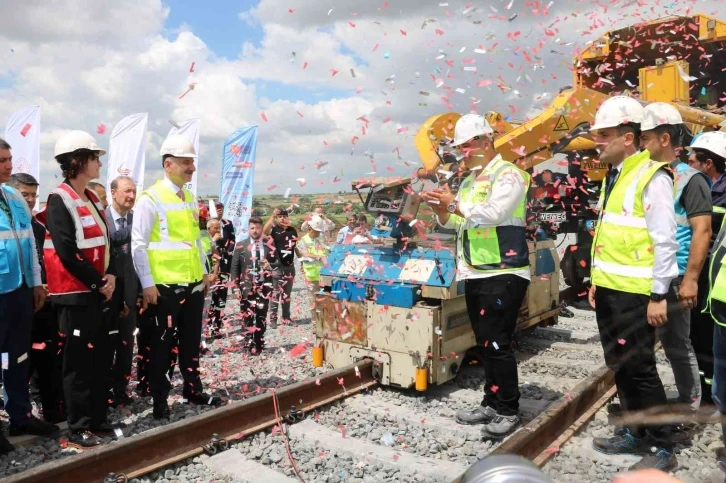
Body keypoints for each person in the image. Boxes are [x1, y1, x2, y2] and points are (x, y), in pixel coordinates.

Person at [421, 114, 531, 439]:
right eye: (460, 147)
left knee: (498, 343)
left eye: (467, 145)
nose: (463, 152)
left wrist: (453, 204)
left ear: (486, 141)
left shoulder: (510, 175)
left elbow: (493, 214)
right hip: (475, 272)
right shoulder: (470, 182)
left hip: (502, 272)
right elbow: (461, 223)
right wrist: (443, 212)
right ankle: (491, 401)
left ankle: (508, 409)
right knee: (485, 343)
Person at [586, 97, 678, 471]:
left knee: (640, 367)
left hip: (637, 294)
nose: (597, 142)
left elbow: (665, 239)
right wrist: (596, 281)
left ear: (628, 137)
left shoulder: (651, 175)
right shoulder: (619, 175)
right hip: (611, 290)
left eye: (603, 135)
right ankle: (635, 432)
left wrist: (659, 294)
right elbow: (612, 235)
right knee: (620, 364)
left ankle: (662, 445)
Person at [131, 134, 221, 420]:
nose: (191, 168)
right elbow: (138, 244)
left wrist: (204, 274)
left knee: (191, 342)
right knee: (161, 345)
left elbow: (196, 241)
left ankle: (192, 389)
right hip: (164, 287)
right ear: (168, 164)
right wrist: (147, 283)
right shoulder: (150, 199)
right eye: (186, 163)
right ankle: (159, 400)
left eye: (192, 162)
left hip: (193, 285)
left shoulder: (190, 198)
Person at [40, 130, 117, 448]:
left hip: (97, 291)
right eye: (94, 157)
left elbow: (105, 243)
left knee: (98, 359)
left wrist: (110, 275)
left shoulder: (93, 197)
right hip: (76, 295)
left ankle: (98, 419)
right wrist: (100, 282)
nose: (100, 161)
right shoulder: (60, 199)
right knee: (78, 364)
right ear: (77, 161)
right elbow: (67, 251)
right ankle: (78, 425)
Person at [638, 104, 712, 415]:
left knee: (677, 345)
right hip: (645, 274)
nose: (641, 144)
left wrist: (691, 279)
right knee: (642, 345)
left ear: (664, 138)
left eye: (645, 137)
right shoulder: (644, 174)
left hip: (676, 273)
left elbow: (702, 230)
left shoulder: (690, 180)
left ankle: (689, 405)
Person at [0, 140, 57, 454]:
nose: (9, 166)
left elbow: (29, 245)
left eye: (9, 159)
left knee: (17, 358)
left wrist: (36, 283)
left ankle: (20, 416)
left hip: (20, 291)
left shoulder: (13, 197)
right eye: (2, 161)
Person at [7, 173, 65, 424]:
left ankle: (47, 410)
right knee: (15, 361)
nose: (29, 199)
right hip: (11, 300)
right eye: (24, 194)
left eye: (33, 194)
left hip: (40, 301)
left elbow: (43, 261)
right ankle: (17, 413)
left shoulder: (39, 227)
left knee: (45, 359)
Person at [687, 131, 726, 405]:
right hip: (707, 278)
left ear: (708, 163)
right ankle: (708, 394)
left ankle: (712, 397)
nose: (688, 165)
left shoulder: (717, 195)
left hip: (713, 279)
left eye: (692, 160)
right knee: (702, 337)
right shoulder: (710, 190)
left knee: (708, 337)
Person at [106, 176, 139, 407]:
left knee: (126, 347)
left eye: (134, 192)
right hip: (105, 298)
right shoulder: (100, 220)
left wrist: (137, 295)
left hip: (131, 297)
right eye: (127, 191)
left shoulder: (137, 221)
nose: (131, 196)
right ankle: (103, 389)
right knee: (105, 347)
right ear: (113, 192)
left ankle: (121, 389)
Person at [230, 217, 275, 354]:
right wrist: (235, 287)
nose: (255, 231)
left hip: (264, 286)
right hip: (246, 287)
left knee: (261, 316)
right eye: (252, 228)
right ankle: (248, 344)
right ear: (249, 229)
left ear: (262, 228)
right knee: (247, 317)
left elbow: (278, 263)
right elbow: (234, 268)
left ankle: (259, 343)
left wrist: (270, 265)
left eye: (258, 228)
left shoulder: (269, 244)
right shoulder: (241, 245)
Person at [263, 208, 298, 329]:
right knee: (276, 293)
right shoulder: (274, 230)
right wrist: (272, 216)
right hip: (277, 266)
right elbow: (264, 231)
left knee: (287, 294)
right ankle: (273, 319)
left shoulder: (292, 230)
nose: (283, 218)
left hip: (290, 266)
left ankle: (286, 318)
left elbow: (295, 247)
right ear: (277, 219)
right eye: (280, 216)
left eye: (285, 216)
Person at [208, 206, 233, 337]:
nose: (218, 230)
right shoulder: (204, 237)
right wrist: (213, 242)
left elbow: (232, 241)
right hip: (210, 273)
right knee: (210, 300)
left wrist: (226, 251)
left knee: (221, 298)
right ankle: (207, 326)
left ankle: (216, 327)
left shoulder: (228, 224)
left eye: (219, 228)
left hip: (224, 268)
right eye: (215, 228)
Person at [297, 215, 332, 309]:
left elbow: (328, 250)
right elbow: (304, 253)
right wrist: (319, 257)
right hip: (312, 276)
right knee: (314, 302)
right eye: (316, 230)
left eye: (319, 230)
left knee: (327, 300)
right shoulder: (303, 240)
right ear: (310, 227)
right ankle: (315, 323)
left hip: (325, 275)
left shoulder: (322, 238)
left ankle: (326, 323)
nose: (318, 232)